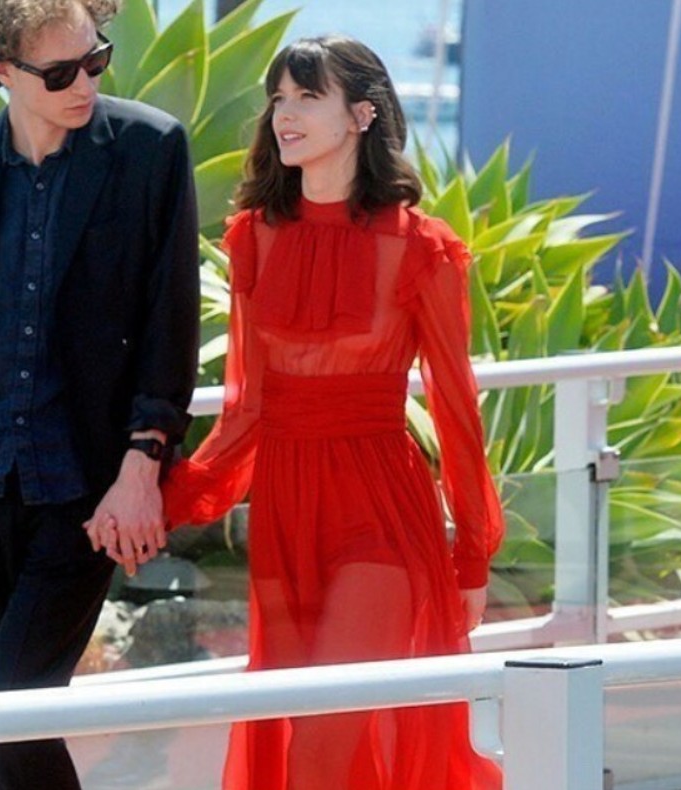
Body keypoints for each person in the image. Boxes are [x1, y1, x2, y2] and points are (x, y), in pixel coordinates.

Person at [90, 33, 503, 790]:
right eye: (278, 96)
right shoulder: (255, 237)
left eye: (307, 96)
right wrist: (164, 497)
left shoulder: (422, 249)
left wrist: (471, 549)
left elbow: (454, 409)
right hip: (286, 514)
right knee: (302, 736)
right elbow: (247, 409)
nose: (284, 112)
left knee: (322, 743)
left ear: (362, 115)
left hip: (382, 513)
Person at [0, 0, 199, 787]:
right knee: (15, 722)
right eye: (61, 72)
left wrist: (142, 469)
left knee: (3, 711)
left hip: (90, 492)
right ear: (2, 71)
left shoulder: (148, 150)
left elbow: (169, 329)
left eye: (95, 59)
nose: (86, 83)